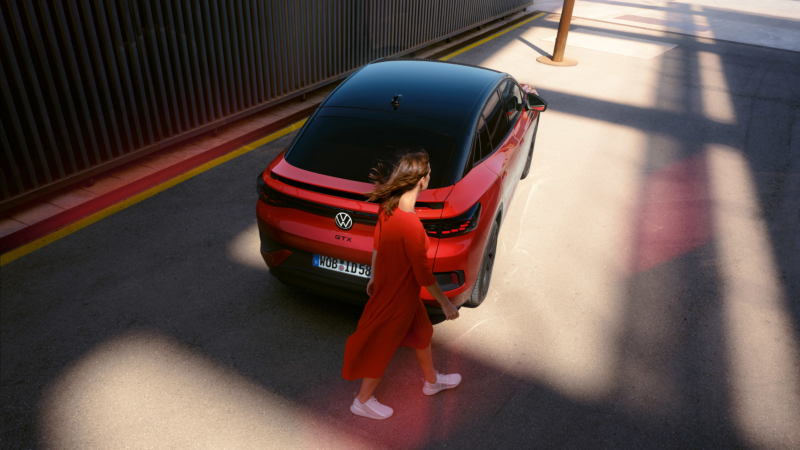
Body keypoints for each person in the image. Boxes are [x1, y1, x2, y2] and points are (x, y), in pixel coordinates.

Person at [342, 150, 461, 420]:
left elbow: (377, 244)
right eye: (429, 172)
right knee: (383, 345)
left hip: (398, 291)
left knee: (421, 333)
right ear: (421, 181)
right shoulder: (412, 226)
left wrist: (373, 275)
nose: (431, 175)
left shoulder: (388, 208)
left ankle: (432, 381)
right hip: (397, 297)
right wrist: (446, 304)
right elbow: (424, 275)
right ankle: (361, 401)